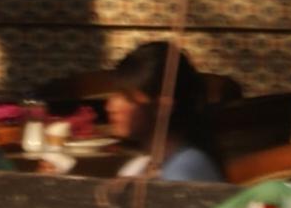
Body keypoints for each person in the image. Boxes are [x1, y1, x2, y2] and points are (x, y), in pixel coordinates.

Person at [94, 39, 226, 184]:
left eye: (126, 97)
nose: (110, 107)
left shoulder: (184, 171)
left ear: (162, 106)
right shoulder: (138, 167)